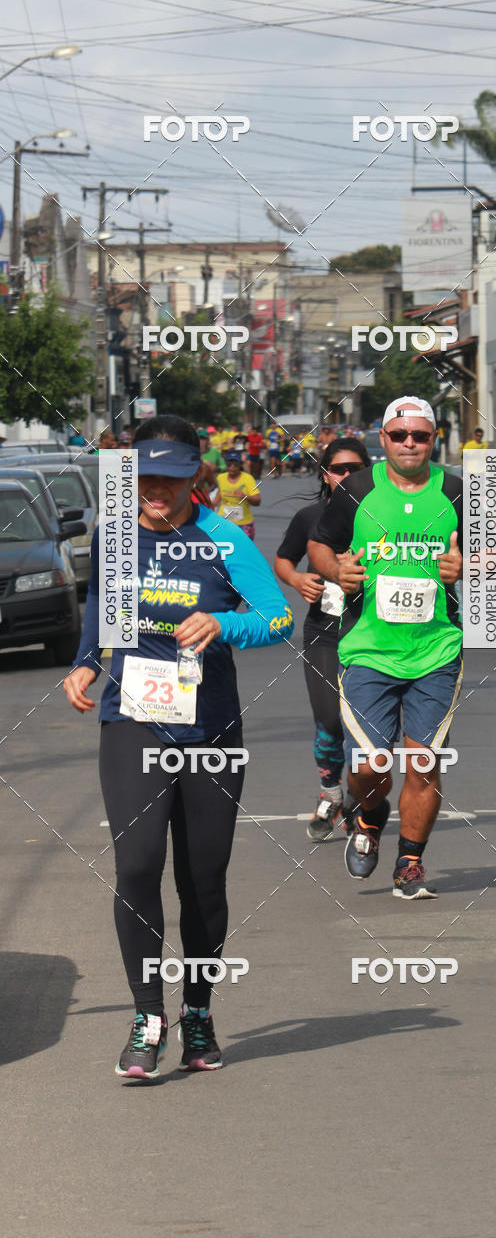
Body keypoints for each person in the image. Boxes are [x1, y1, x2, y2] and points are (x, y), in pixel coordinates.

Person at [64, 414, 293, 1079]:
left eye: (169, 478)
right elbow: (100, 616)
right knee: (136, 865)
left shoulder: (224, 539)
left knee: (203, 879)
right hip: (133, 720)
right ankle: (147, 1016)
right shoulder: (115, 539)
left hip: (210, 729)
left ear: (195, 475)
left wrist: (223, 623)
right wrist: (86, 663)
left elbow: (276, 617)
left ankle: (197, 1011)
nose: (155, 491)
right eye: (145, 478)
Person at [308, 396, 463, 900]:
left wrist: (469, 567)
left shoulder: (457, 491)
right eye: (400, 436)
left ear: (434, 438)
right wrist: (336, 571)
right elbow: (318, 544)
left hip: (436, 648)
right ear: (383, 439)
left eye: (420, 435)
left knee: (423, 763)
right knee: (372, 765)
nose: (410, 444)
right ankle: (370, 816)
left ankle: (411, 862)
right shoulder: (356, 489)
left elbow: (487, 557)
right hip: (368, 649)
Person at [274, 437, 371, 840]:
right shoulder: (310, 517)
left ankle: (361, 802)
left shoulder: (383, 515)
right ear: (325, 474)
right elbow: (283, 559)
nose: (346, 476)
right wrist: (297, 580)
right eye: (338, 469)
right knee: (329, 718)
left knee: (366, 729)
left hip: (374, 634)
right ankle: (331, 794)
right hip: (324, 633)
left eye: (355, 469)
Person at [217, 451, 261, 539]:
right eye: (229, 464)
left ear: (240, 465)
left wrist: (244, 496)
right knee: (223, 550)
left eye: (235, 464)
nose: (232, 467)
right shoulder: (220, 478)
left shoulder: (248, 479)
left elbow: (257, 501)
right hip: (224, 523)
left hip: (244, 524)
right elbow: (219, 494)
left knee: (244, 551)